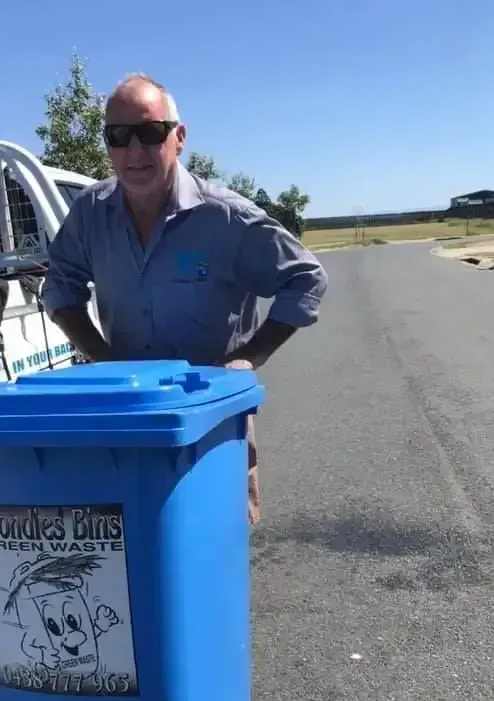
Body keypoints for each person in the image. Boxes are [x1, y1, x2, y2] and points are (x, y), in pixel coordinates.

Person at [41, 73, 328, 524]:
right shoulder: (91, 213)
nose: (135, 151)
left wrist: (249, 357)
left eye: (150, 133)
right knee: (137, 549)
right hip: (130, 422)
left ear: (179, 137)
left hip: (213, 425)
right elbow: (59, 285)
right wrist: (103, 357)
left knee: (214, 548)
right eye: (119, 136)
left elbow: (306, 279)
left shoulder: (226, 218)